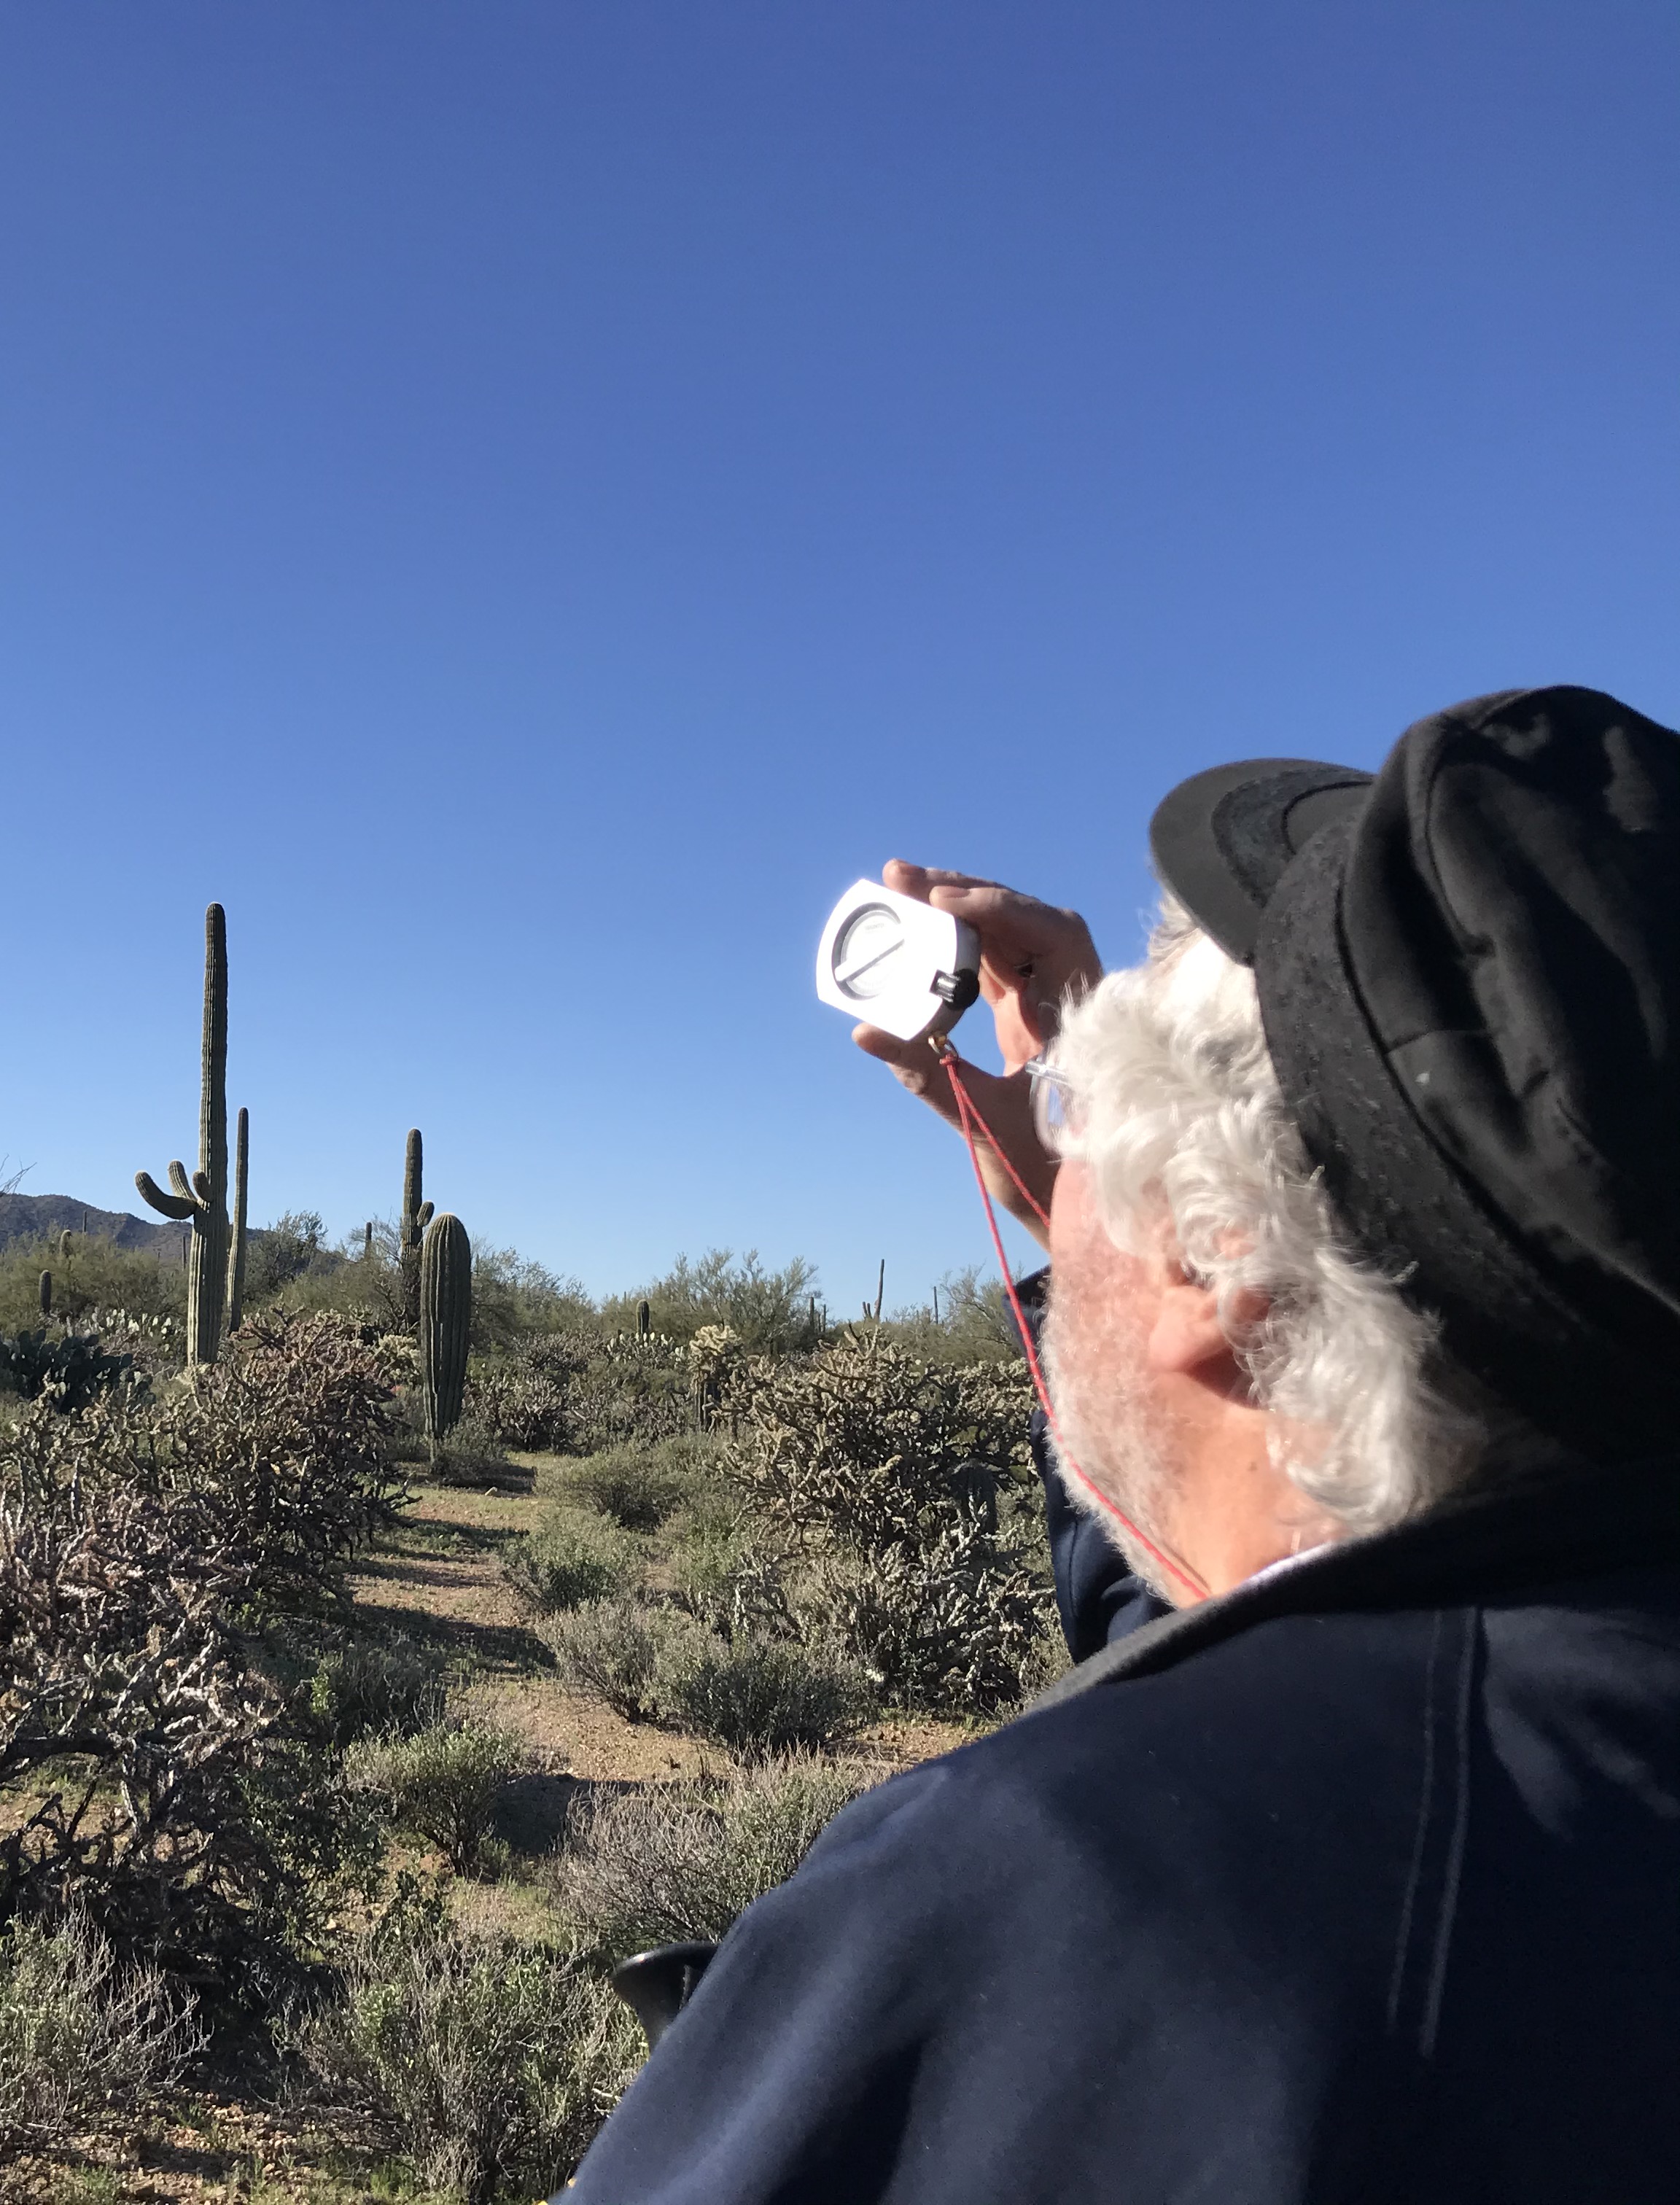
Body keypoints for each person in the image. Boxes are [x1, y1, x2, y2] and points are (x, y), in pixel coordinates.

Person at [564, 685, 1680, 2202]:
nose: (1066, 1150)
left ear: (1221, 1263)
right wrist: (1075, 1214)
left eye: (1088, 1117)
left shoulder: (1039, 1897)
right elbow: (1284, 1641)